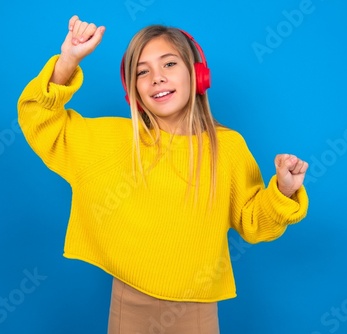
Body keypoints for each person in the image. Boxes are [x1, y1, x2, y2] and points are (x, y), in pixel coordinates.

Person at [18, 15, 309, 334]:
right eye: (142, 71)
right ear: (134, 92)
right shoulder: (115, 140)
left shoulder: (227, 147)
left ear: (197, 75)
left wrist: (283, 190)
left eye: (169, 64)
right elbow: (39, 118)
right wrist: (67, 61)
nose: (156, 77)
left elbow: (254, 222)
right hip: (128, 304)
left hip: (195, 310)